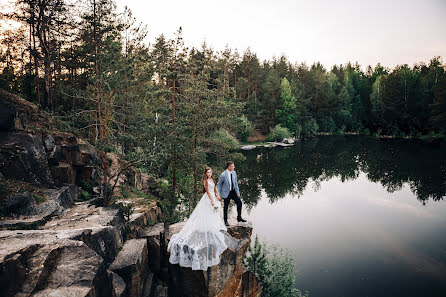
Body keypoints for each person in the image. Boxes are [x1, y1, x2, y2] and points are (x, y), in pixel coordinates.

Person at [167, 166, 228, 271]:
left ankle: (212, 225)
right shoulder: (204, 180)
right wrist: (212, 200)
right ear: (205, 173)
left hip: (214, 196)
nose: (209, 173)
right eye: (208, 172)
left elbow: (214, 188)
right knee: (207, 211)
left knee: (214, 212)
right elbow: (208, 191)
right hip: (208, 198)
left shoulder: (212, 179)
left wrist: (217, 195)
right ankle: (206, 225)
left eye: (210, 172)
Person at [217, 161, 247, 226]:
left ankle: (239, 218)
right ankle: (225, 221)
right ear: (229, 167)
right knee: (226, 206)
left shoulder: (234, 172)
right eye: (233, 166)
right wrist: (218, 194)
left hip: (233, 192)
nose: (234, 167)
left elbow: (235, 183)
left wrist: (238, 192)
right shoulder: (223, 175)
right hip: (226, 192)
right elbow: (218, 184)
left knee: (239, 203)